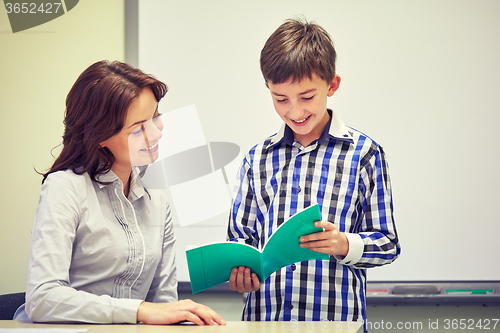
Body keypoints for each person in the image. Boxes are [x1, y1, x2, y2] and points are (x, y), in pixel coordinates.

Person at [14, 60, 225, 326]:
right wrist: (140, 311)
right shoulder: (64, 188)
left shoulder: (158, 204)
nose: (156, 133)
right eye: (138, 129)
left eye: (156, 117)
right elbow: (42, 299)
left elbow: (163, 307)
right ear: (99, 136)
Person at [227, 18, 400, 329]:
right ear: (268, 88)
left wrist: (344, 244)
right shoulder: (257, 159)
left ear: (332, 85)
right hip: (264, 322)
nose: (295, 111)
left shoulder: (364, 154)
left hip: (336, 323)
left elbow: (388, 244)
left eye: (307, 97)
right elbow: (241, 240)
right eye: (280, 99)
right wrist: (241, 273)